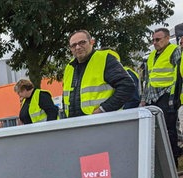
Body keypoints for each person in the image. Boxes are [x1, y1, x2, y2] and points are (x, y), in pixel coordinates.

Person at [62, 30, 135, 118]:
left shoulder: (105, 59)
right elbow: (66, 98)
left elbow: (127, 86)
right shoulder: (69, 67)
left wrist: (103, 109)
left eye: (82, 42)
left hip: (102, 122)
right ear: (70, 49)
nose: (78, 47)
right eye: (73, 45)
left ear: (91, 42)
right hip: (75, 124)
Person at [140, 27, 181, 161]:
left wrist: (173, 97)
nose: (155, 42)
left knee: (169, 130)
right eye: (153, 40)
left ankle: (173, 159)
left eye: (158, 39)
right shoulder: (151, 56)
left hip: (167, 95)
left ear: (167, 38)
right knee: (155, 130)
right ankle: (161, 159)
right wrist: (144, 99)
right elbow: (147, 79)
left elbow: (178, 76)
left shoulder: (174, 51)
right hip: (152, 98)